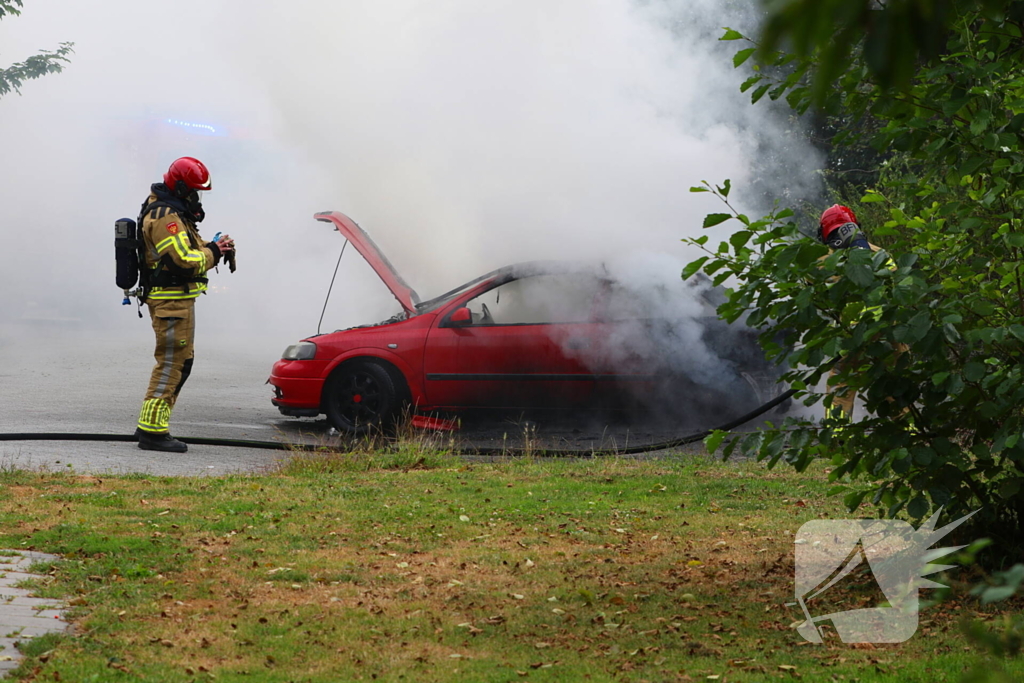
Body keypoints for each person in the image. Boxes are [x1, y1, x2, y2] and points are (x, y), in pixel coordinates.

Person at [134, 157, 234, 452]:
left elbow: (190, 248)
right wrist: (214, 252)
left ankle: (150, 426)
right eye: (193, 192)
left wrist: (215, 246)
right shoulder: (166, 217)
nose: (196, 199)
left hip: (177, 302)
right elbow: (184, 261)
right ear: (179, 187)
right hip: (170, 303)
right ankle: (152, 433)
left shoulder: (172, 210)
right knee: (171, 365)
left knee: (181, 364)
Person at [817, 204, 905, 424]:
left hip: (851, 334)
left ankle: (838, 436)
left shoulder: (823, 262)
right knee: (896, 385)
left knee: (841, 383)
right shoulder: (881, 254)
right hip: (889, 332)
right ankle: (909, 434)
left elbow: (818, 298)